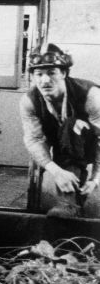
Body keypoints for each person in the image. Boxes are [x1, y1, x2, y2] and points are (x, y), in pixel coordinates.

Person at [19, 44, 100, 218]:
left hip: (90, 143)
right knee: (65, 134)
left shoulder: (90, 95)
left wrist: (95, 178)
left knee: (71, 126)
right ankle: (68, 205)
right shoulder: (29, 101)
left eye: (52, 73)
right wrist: (56, 171)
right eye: (39, 74)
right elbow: (34, 140)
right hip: (62, 147)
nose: (45, 81)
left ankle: (68, 204)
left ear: (63, 73)